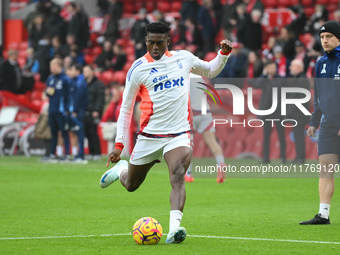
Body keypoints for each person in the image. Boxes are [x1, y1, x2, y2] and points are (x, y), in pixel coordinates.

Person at [99, 22, 233, 244]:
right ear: (145, 42)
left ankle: (174, 230)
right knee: (131, 185)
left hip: (178, 134)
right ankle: (121, 171)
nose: (155, 48)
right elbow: (125, 107)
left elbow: (210, 69)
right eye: (151, 43)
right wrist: (119, 145)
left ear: (168, 41)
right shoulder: (138, 68)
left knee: (178, 175)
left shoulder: (184, 59)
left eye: (160, 43)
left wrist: (223, 54)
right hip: (149, 137)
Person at [300, 20, 340, 225]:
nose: (324, 40)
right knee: (325, 168)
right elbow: (319, 96)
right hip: (328, 125)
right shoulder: (321, 63)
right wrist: (314, 121)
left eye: (329, 37)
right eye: (322, 37)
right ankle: (323, 214)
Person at [185, 73, 227, 183]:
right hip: (205, 111)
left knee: (188, 144)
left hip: (192, 113)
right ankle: (221, 163)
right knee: (213, 142)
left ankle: (188, 173)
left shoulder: (183, 77)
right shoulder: (200, 78)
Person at [252, 61, 286, 164]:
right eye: (271, 67)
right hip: (267, 112)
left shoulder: (280, 79)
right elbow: (256, 85)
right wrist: (263, 74)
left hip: (278, 111)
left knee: (281, 135)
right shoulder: (264, 79)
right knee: (266, 136)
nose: (273, 69)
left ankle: (283, 158)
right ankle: (266, 158)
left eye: (274, 67)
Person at [44, 58, 71, 162]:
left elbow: (69, 95)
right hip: (52, 109)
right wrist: (48, 92)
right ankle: (52, 153)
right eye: (51, 66)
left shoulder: (65, 79)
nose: (52, 69)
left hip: (62, 110)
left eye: (54, 66)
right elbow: (47, 93)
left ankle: (67, 154)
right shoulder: (50, 78)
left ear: (60, 67)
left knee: (64, 132)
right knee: (53, 132)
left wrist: (67, 108)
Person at [286, 59, 310, 164]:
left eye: (292, 66)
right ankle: (299, 156)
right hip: (297, 113)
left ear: (299, 67)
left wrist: (290, 110)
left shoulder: (302, 80)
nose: (290, 68)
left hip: (299, 114)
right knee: (297, 136)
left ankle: (300, 157)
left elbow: (301, 98)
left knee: (299, 136)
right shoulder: (297, 79)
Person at [83, 65, 105, 160]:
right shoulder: (83, 84)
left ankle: (97, 153)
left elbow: (100, 99)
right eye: (84, 71)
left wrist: (97, 110)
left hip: (94, 112)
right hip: (85, 111)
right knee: (87, 133)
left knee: (93, 132)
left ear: (92, 72)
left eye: (87, 71)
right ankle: (91, 152)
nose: (85, 73)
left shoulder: (98, 84)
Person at [67, 63, 88, 163]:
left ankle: (81, 155)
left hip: (78, 111)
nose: (71, 72)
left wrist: (74, 110)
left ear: (77, 71)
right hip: (77, 110)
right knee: (76, 132)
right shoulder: (76, 81)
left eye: (72, 70)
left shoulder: (80, 82)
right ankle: (77, 155)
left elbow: (78, 98)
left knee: (80, 133)